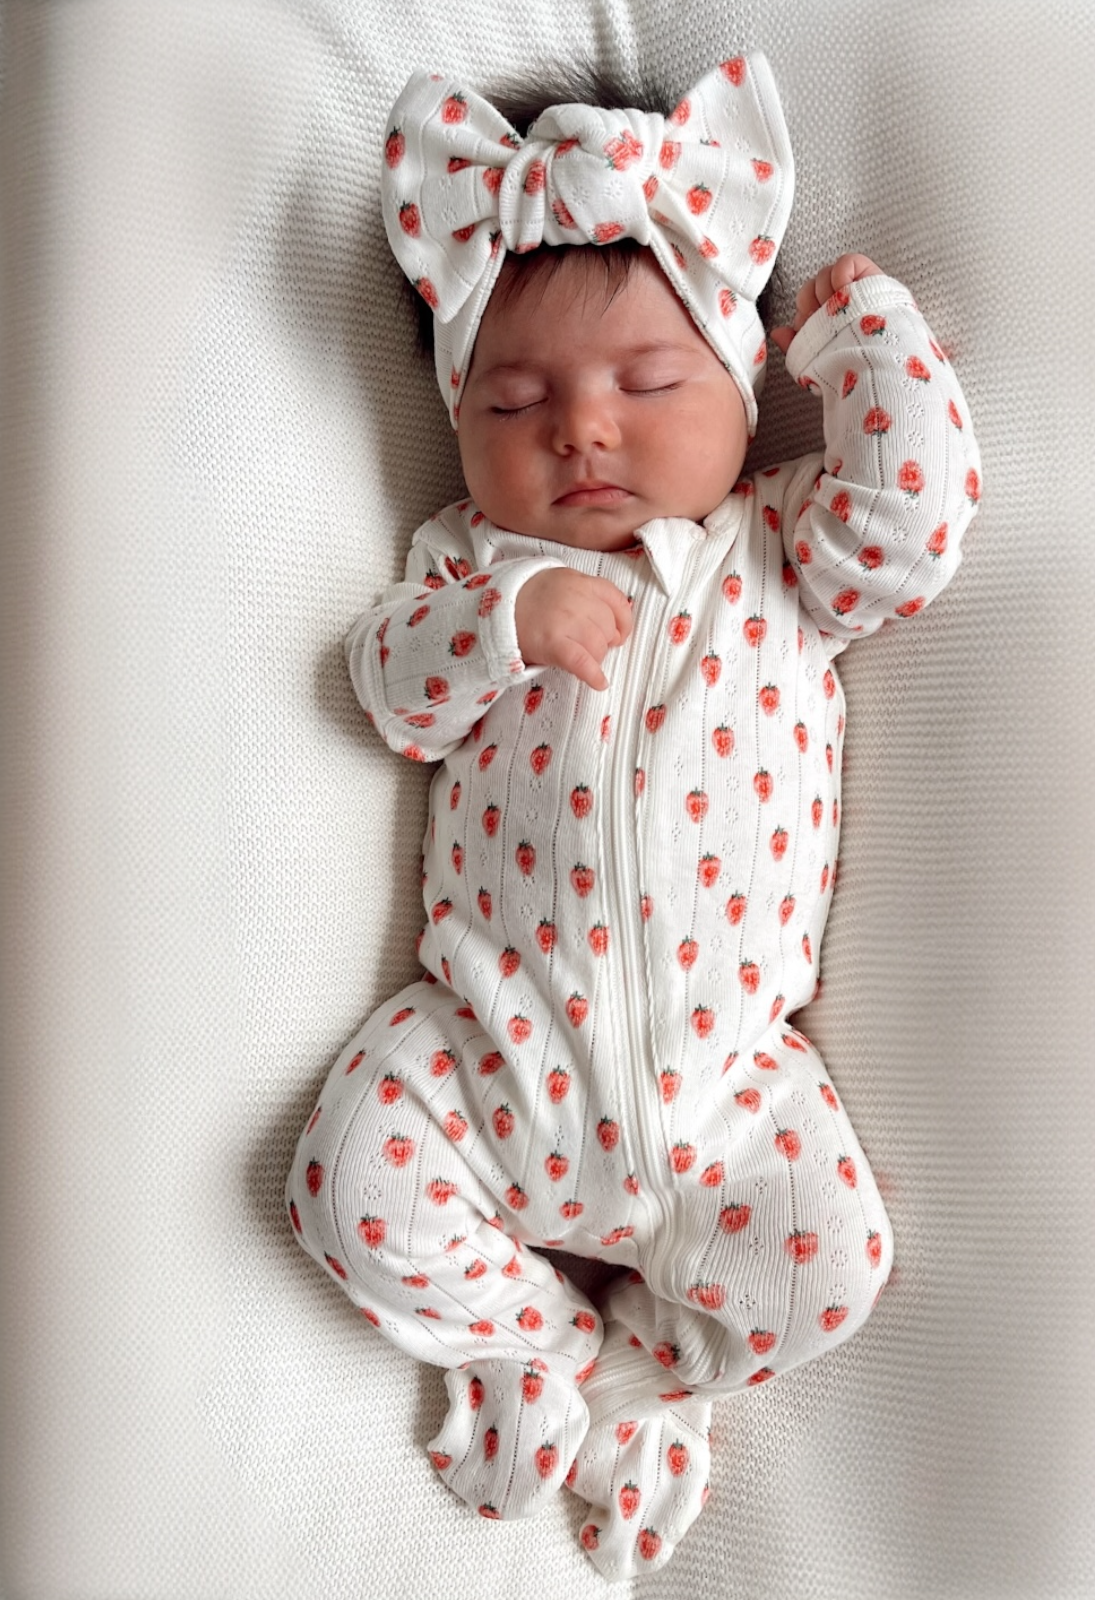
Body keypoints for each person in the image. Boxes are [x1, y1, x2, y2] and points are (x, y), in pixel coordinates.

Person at [286, 50, 981, 1579]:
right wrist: (503, 625)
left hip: (722, 1098)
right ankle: (528, 1338)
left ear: (738, 392)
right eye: (516, 398)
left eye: (648, 386)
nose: (582, 431)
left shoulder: (781, 553)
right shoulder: (470, 565)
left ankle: (639, 1383)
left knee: (834, 1266)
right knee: (341, 1179)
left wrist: (872, 352)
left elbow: (914, 526)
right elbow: (382, 682)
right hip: (491, 1049)